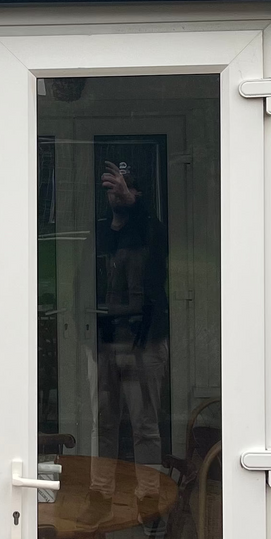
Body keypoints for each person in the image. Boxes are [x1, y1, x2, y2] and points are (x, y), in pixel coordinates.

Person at [92, 161, 169, 511]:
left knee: (145, 424)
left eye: (125, 188)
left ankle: (148, 499)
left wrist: (133, 207)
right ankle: (101, 495)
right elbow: (86, 286)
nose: (116, 193)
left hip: (146, 341)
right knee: (104, 423)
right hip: (107, 342)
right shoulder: (100, 232)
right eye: (111, 188)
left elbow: (154, 234)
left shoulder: (150, 230)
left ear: (137, 194)